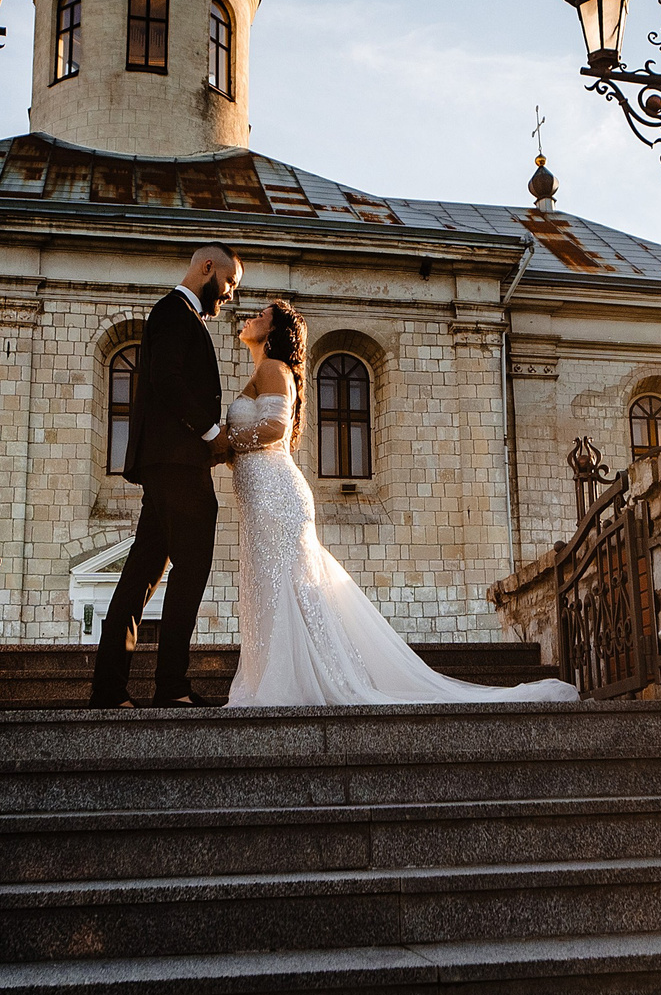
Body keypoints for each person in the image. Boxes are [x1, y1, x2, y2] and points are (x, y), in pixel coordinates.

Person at [221, 299, 579, 708]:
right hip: (261, 494)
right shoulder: (265, 371)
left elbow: (275, 428)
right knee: (270, 587)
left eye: (261, 315)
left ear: (274, 331)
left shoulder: (273, 368)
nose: (251, 316)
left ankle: (293, 682)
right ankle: (281, 678)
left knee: (280, 586)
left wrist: (222, 441)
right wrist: (227, 450)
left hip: (275, 495)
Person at [90, 245, 243, 709]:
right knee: (190, 569)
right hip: (177, 464)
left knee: (141, 574)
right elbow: (167, 380)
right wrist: (212, 433)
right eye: (231, 282)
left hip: (166, 464)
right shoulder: (175, 312)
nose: (231, 294)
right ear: (207, 268)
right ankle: (171, 686)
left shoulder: (176, 314)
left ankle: (109, 691)